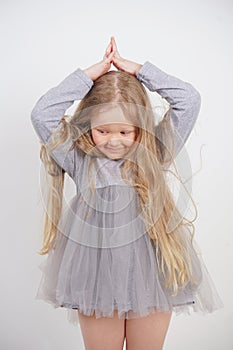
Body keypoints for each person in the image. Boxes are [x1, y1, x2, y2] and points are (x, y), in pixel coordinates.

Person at [31, 36, 223, 350]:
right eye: (102, 130)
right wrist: (90, 75)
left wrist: (138, 70)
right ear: (88, 124)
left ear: (141, 127)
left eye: (125, 131)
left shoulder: (155, 152)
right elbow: (42, 114)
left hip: (152, 278)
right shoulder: (80, 159)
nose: (114, 141)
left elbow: (188, 99)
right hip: (97, 281)